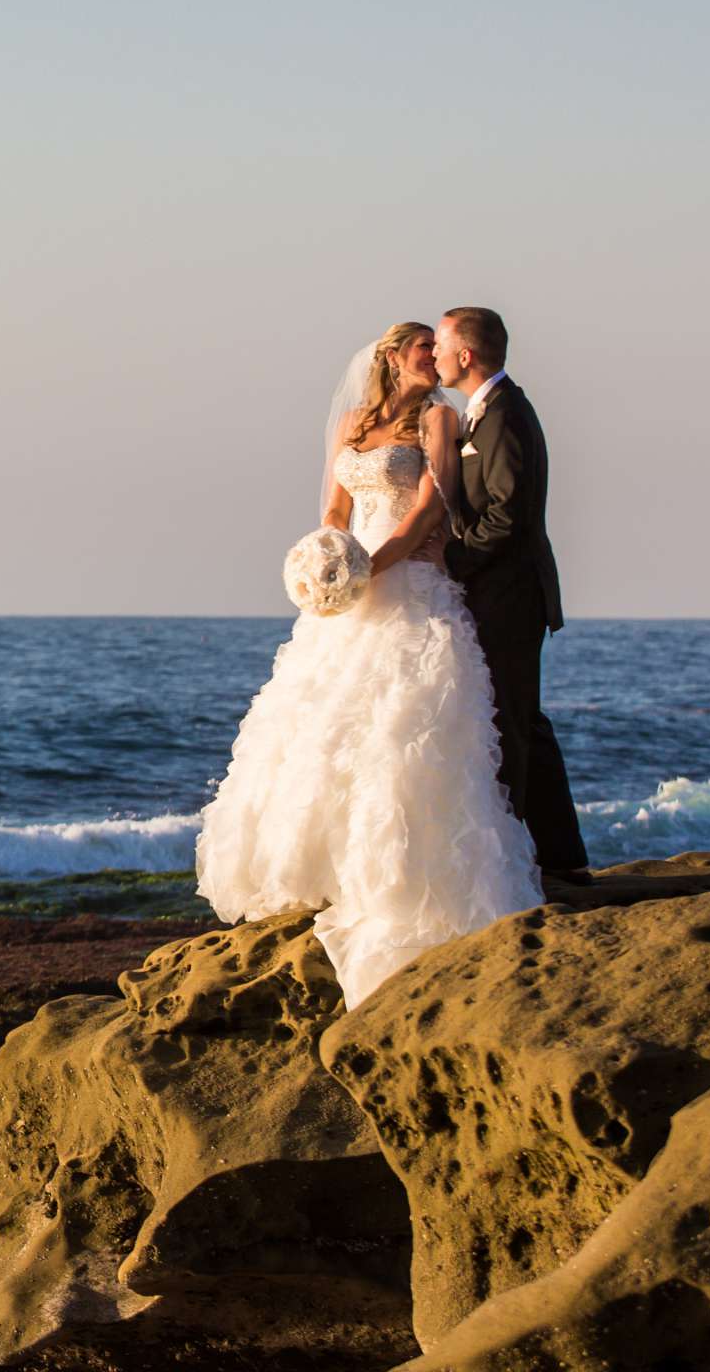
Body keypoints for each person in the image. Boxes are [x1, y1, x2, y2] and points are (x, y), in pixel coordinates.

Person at [195, 321, 544, 1006]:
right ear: (395, 357)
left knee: (399, 727)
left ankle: (398, 884)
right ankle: (313, 870)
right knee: (323, 724)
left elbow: (427, 509)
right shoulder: (355, 421)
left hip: (405, 583)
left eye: (437, 349)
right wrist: (328, 558)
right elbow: (336, 504)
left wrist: (368, 571)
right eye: (423, 349)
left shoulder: (439, 419)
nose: (433, 359)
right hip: (348, 584)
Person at [433, 307, 589, 874]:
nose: (435, 358)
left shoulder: (503, 417)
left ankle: (526, 863)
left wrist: (450, 561)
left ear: (466, 356)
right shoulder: (487, 413)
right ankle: (560, 857)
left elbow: (507, 515)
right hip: (503, 593)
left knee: (513, 727)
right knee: (524, 723)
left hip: (511, 595)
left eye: (442, 347)